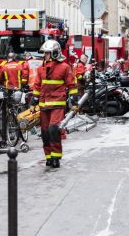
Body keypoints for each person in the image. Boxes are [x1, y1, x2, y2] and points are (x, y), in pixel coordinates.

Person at [31, 40, 77, 168]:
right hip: (44, 104)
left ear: (55, 53)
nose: (45, 56)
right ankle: (49, 157)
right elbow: (37, 85)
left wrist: (74, 100)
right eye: (44, 53)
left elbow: (72, 85)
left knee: (53, 130)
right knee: (45, 132)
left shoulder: (64, 67)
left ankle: (56, 157)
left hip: (57, 103)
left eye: (47, 53)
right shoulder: (41, 68)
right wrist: (33, 100)